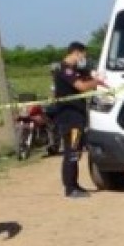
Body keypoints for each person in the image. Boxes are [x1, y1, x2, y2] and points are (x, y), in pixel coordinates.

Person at [51, 41, 107, 198]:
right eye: (83, 55)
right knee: (72, 151)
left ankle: (74, 184)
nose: (84, 58)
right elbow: (81, 86)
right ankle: (70, 188)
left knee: (75, 152)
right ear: (76, 53)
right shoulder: (65, 70)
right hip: (70, 119)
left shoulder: (73, 70)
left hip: (76, 117)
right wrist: (97, 81)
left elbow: (83, 80)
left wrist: (91, 76)